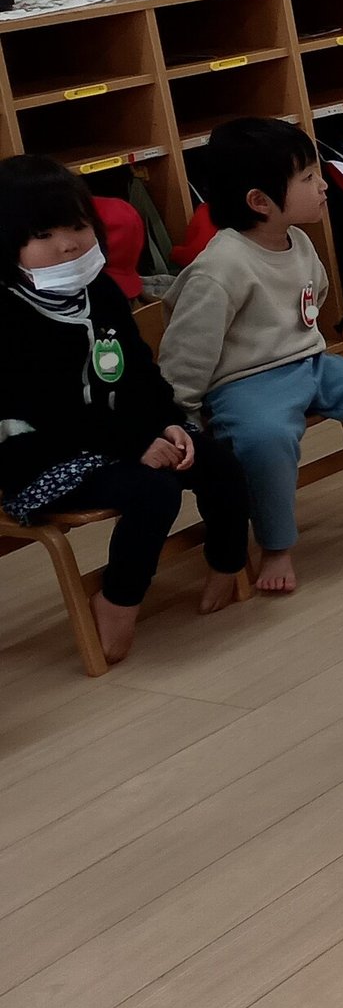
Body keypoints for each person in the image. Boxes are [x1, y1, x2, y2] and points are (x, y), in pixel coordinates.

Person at [156, 119, 343, 593]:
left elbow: (312, 297)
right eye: (307, 178)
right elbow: (186, 353)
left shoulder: (297, 239)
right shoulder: (218, 270)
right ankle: (276, 545)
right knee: (267, 439)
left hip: (311, 362)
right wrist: (184, 417)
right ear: (259, 202)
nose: (323, 185)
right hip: (244, 383)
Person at [0, 156, 251, 658]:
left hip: (118, 435)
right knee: (153, 490)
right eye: (44, 235)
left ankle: (227, 563)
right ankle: (118, 601)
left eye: (77, 226)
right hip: (40, 454)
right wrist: (136, 444)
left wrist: (167, 423)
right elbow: (49, 412)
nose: (69, 243)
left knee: (217, 459)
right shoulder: (8, 314)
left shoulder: (100, 289)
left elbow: (138, 370)